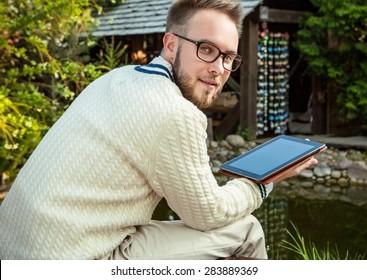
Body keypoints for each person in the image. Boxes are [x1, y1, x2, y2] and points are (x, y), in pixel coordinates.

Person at [0, 0, 317, 260]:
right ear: (170, 44)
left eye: (229, 57)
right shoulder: (176, 113)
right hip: (74, 261)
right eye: (206, 49)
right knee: (246, 230)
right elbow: (207, 215)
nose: (219, 69)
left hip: (14, 251)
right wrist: (262, 183)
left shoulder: (115, 78)